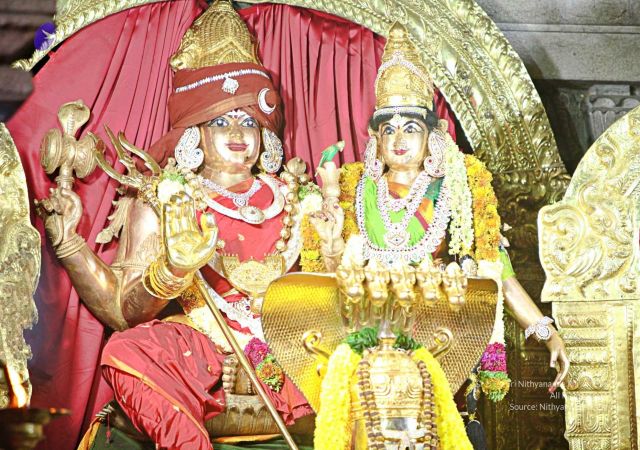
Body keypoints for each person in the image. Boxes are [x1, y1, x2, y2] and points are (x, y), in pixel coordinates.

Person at [36, 2, 311, 448]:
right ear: (194, 133)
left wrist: (332, 247)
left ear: (265, 134)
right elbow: (123, 312)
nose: (236, 133)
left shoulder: (296, 196)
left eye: (248, 121)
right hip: (202, 348)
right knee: (128, 351)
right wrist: (169, 268)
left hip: (287, 342)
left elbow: (325, 291)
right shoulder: (165, 198)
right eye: (220, 120)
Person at [305, 22, 569, 405]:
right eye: (389, 130)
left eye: (411, 128)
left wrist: (548, 334)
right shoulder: (352, 188)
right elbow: (335, 281)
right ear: (375, 138)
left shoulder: (459, 188)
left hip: (440, 341)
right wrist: (331, 244)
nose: (399, 140)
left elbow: (498, 272)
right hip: (369, 346)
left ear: (433, 136)